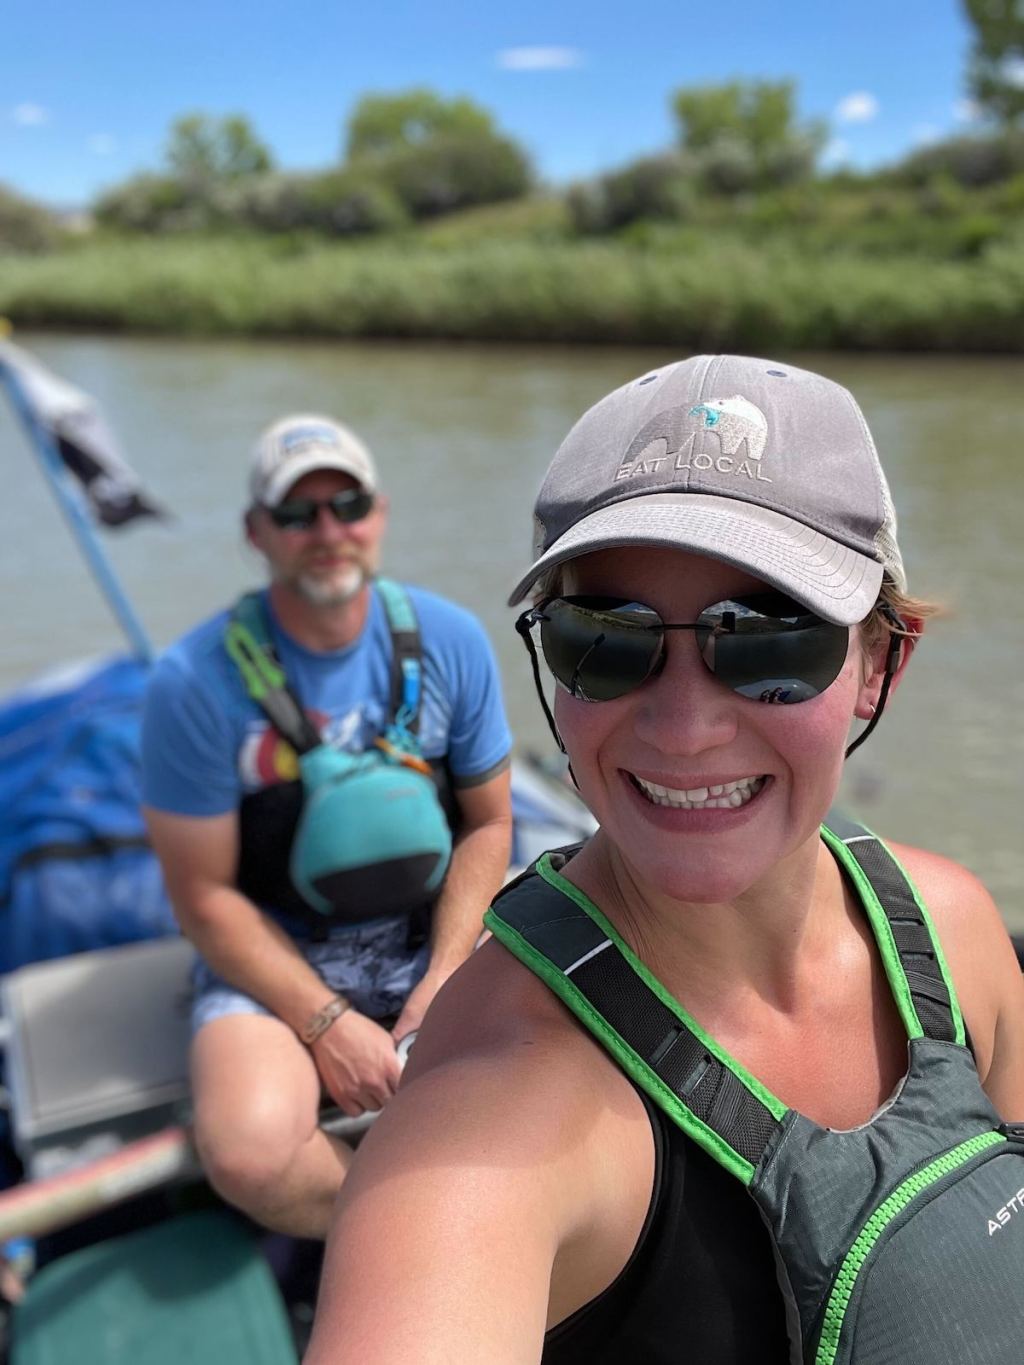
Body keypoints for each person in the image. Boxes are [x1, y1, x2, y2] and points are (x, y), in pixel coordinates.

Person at [305, 357, 1024, 1363]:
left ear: (879, 664)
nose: (683, 728)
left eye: (768, 639)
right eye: (604, 637)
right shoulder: (498, 1108)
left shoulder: (951, 932)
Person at [140, 413, 512, 1238]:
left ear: (379, 513)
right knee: (249, 1153)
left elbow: (489, 827)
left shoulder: (452, 641)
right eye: (297, 514)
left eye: (347, 504)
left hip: (431, 938)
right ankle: (416, 1235)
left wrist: (446, 973)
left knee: (569, 1066)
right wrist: (324, 1021)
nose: (328, 531)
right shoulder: (193, 683)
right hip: (278, 960)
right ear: (255, 533)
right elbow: (202, 896)